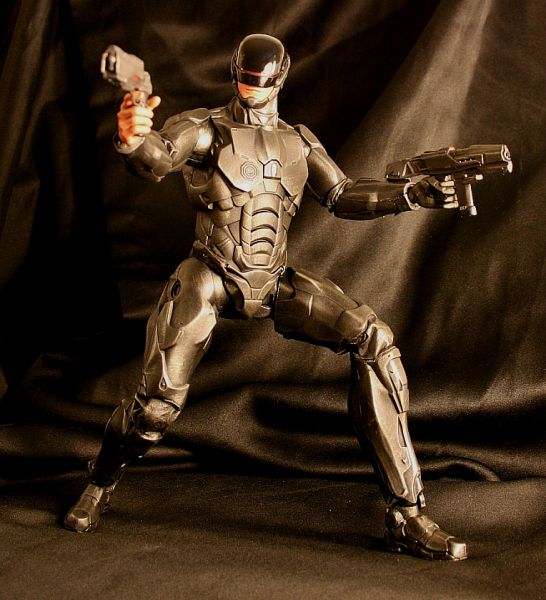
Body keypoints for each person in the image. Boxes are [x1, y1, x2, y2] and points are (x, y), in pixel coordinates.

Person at [65, 33, 466, 561]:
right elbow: (158, 158)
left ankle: (407, 514)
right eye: (243, 77)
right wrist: (132, 136)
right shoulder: (205, 129)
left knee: (375, 341)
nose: (249, 87)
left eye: (259, 80)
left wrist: (409, 194)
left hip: (274, 281)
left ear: (280, 78)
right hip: (210, 276)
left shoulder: (298, 141)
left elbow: (343, 194)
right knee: (156, 411)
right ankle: (99, 481)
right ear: (233, 72)